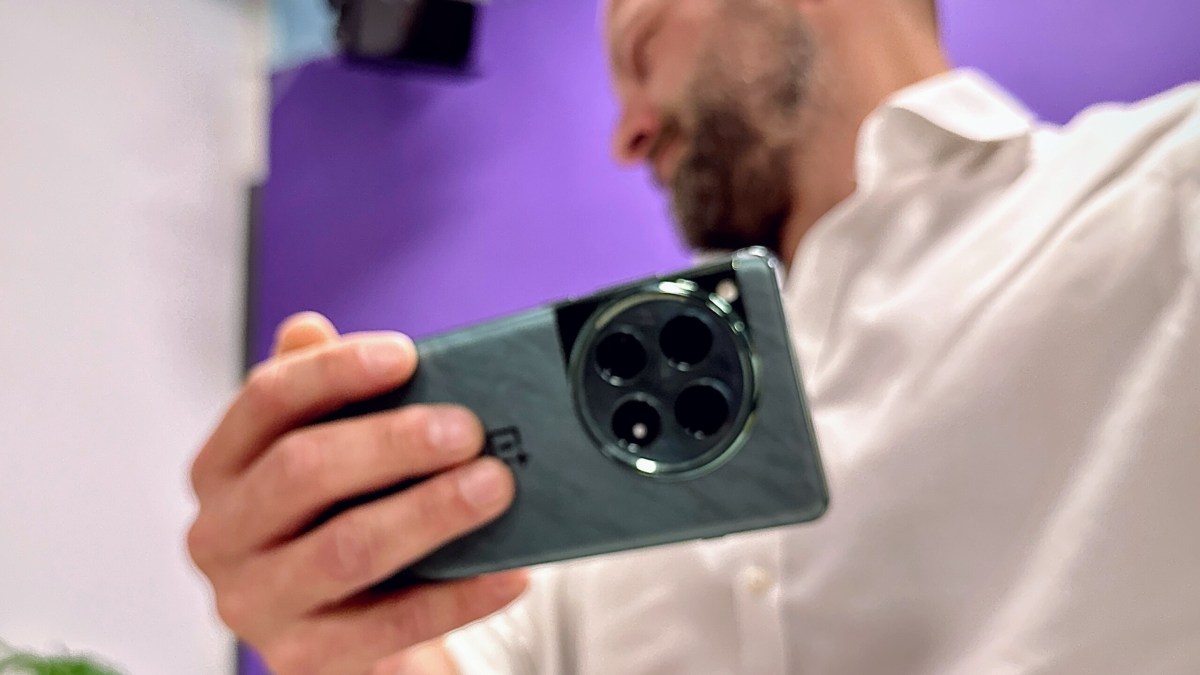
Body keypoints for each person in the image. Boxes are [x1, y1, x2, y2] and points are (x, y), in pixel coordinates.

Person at [186, 0, 1200, 672]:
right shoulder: (590, 488)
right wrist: (346, 620)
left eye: (640, 52)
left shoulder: (1163, 199)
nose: (627, 135)